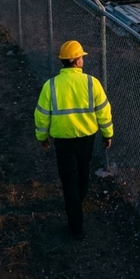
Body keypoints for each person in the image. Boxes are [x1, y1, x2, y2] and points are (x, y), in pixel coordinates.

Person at [34, 40, 113, 239]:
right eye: (81, 57)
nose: (82, 60)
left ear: (63, 62)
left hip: (63, 142)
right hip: (87, 138)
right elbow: (104, 111)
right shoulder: (91, 83)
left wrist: (42, 137)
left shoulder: (50, 86)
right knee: (83, 172)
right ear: (77, 61)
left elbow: (42, 115)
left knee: (68, 181)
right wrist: (107, 134)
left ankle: (75, 226)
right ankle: (79, 200)